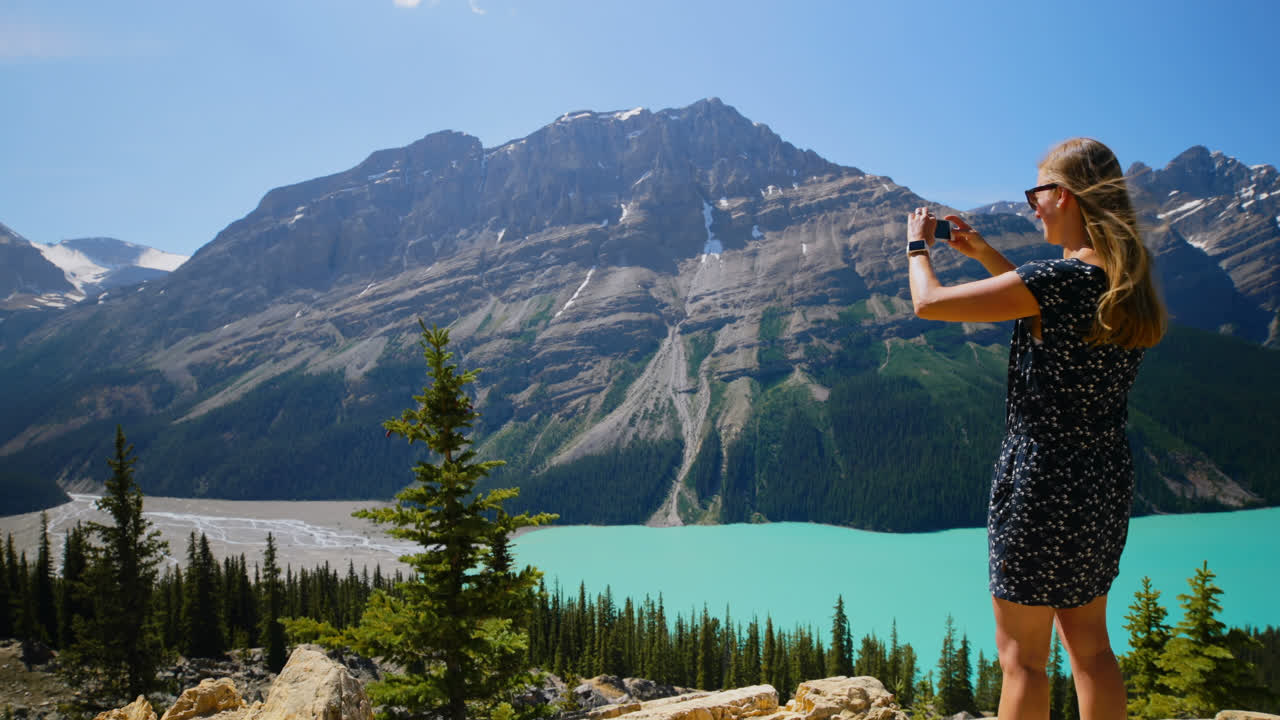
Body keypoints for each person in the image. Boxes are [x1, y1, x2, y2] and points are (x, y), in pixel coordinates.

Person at [904, 137, 1166, 720]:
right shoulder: (1124, 281)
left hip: (1041, 484)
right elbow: (1037, 302)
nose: (1032, 206)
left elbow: (930, 304)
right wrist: (983, 253)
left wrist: (917, 245)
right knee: (1091, 648)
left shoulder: (1060, 280)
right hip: (1100, 479)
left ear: (1064, 195)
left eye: (1037, 193)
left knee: (1024, 660)